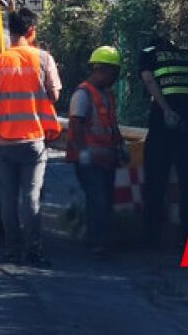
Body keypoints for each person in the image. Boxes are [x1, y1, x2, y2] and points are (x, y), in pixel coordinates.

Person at [0, 7, 62, 266]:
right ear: (31, 31)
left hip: (3, 141)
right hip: (34, 141)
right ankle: (33, 251)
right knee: (31, 196)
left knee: (7, 198)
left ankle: (12, 251)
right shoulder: (44, 59)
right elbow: (55, 95)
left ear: (10, 32)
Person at [139, 32, 188, 247]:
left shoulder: (149, 52)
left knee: (156, 179)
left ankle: (151, 236)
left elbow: (149, 80)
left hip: (164, 121)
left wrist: (167, 110)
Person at [66, 46, 128, 256]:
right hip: (88, 159)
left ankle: (99, 238)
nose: (116, 78)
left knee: (105, 199)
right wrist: (82, 152)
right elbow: (76, 125)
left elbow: (112, 124)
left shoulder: (107, 94)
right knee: (98, 199)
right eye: (114, 73)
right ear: (102, 69)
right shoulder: (83, 94)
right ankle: (97, 243)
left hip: (106, 158)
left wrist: (121, 145)